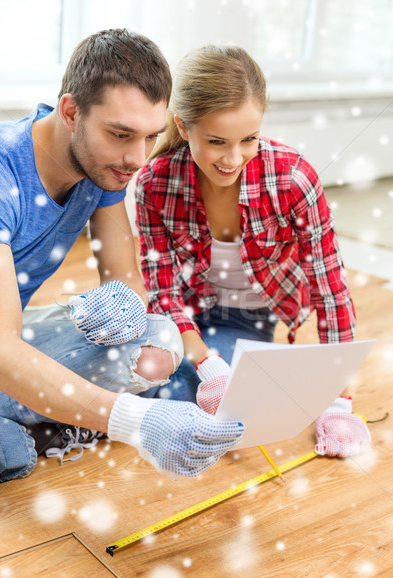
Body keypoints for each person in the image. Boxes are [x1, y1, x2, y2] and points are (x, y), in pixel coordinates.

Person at [0, 30, 244, 485]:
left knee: (159, 342)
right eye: (121, 134)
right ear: (71, 112)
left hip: (6, 334)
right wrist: (135, 422)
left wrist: (124, 305)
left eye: (151, 136)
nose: (136, 158)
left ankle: (49, 414)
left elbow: (127, 278)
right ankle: (41, 421)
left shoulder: (102, 166)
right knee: (7, 454)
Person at [135, 45, 371, 458]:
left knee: (176, 396)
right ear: (183, 126)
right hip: (180, 318)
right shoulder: (154, 184)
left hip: (247, 318)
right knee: (136, 373)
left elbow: (330, 288)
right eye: (216, 141)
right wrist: (208, 366)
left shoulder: (293, 179)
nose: (233, 158)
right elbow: (164, 294)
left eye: (249, 139)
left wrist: (340, 401)